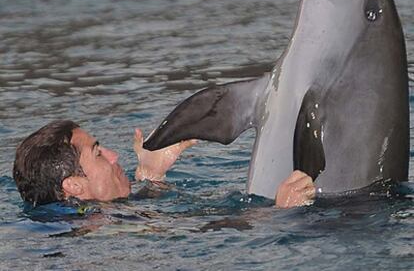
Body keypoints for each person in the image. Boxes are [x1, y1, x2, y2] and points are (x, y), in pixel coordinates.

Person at [13, 120, 315, 208]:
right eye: (98, 153)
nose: (115, 155)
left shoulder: (110, 218)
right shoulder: (102, 231)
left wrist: (151, 177)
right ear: (74, 186)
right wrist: (280, 214)